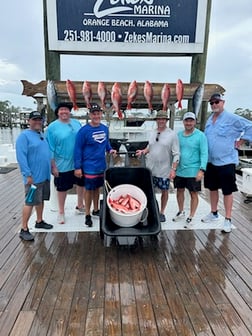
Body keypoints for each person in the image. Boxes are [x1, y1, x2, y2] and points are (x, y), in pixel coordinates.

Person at [202, 93, 252, 233]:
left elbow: (250, 126)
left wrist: (242, 140)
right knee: (212, 188)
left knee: (227, 190)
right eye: (211, 103)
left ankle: (228, 219)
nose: (214, 105)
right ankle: (214, 213)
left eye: (217, 102)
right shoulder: (209, 119)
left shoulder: (232, 118)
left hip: (226, 161)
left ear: (222, 102)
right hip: (211, 161)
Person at [74, 103, 116, 227]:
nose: (96, 116)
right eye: (94, 113)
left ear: (101, 114)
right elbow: (77, 149)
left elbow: (106, 143)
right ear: (90, 115)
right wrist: (77, 167)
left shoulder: (104, 128)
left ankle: (96, 209)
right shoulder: (83, 131)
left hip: (101, 165)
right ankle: (87, 214)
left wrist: (110, 150)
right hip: (88, 166)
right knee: (89, 189)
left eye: (98, 113)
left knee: (97, 188)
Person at [136, 110, 180, 222]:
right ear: (156, 120)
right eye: (159, 119)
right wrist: (143, 151)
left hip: (164, 169)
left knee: (164, 191)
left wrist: (173, 169)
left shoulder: (172, 134)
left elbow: (176, 153)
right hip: (150, 168)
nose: (161, 121)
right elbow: (149, 146)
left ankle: (162, 212)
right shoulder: (152, 132)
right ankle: (149, 210)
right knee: (148, 190)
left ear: (166, 120)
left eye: (163, 119)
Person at [16, 111, 53, 241]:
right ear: (29, 121)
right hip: (33, 178)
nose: (38, 122)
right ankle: (24, 228)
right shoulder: (24, 136)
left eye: (39, 119)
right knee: (30, 201)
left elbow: (46, 154)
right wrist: (27, 174)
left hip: (44, 176)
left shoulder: (41, 135)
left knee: (41, 199)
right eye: (34, 119)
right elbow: (21, 157)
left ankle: (39, 220)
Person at [46, 102, 85, 224]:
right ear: (57, 113)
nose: (64, 112)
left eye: (66, 110)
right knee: (62, 188)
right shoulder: (52, 127)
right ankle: (61, 212)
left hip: (78, 162)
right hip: (62, 163)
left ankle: (80, 206)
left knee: (81, 184)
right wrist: (53, 166)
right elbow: (50, 148)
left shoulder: (77, 123)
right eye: (61, 110)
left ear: (70, 112)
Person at [172, 112, 208, 226]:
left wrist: (202, 170)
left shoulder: (201, 135)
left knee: (193, 193)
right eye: (186, 120)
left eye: (191, 120)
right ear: (183, 122)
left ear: (195, 121)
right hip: (180, 169)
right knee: (179, 191)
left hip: (194, 170)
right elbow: (174, 152)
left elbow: (204, 153)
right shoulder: (178, 135)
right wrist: (173, 168)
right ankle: (181, 211)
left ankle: (191, 216)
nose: (188, 123)